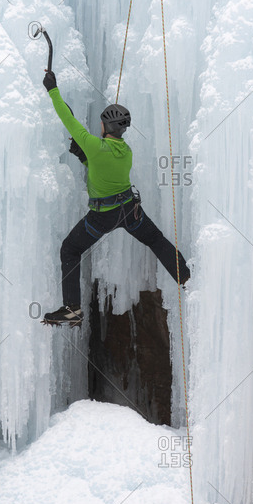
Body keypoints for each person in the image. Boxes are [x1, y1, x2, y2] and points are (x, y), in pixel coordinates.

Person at [42, 69, 190, 326]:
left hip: (103, 216)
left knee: (70, 249)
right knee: (155, 240)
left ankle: (72, 308)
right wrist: (83, 157)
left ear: (105, 126)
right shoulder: (126, 151)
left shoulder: (95, 145)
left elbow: (68, 118)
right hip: (131, 212)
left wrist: (52, 89)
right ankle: (186, 277)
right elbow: (104, 170)